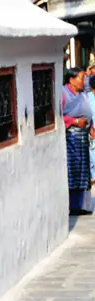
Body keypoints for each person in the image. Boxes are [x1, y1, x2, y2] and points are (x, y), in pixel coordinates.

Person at [63, 67, 93, 215]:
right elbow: (57, 116)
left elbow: (88, 113)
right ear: (71, 80)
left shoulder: (82, 93)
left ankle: (82, 205)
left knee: (83, 172)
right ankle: (73, 205)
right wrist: (74, 121)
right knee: (73, 171)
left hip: (83, 136)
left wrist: (91, 127)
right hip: (71, 137)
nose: (84, 81)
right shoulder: (63, 94)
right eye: (81, 78)